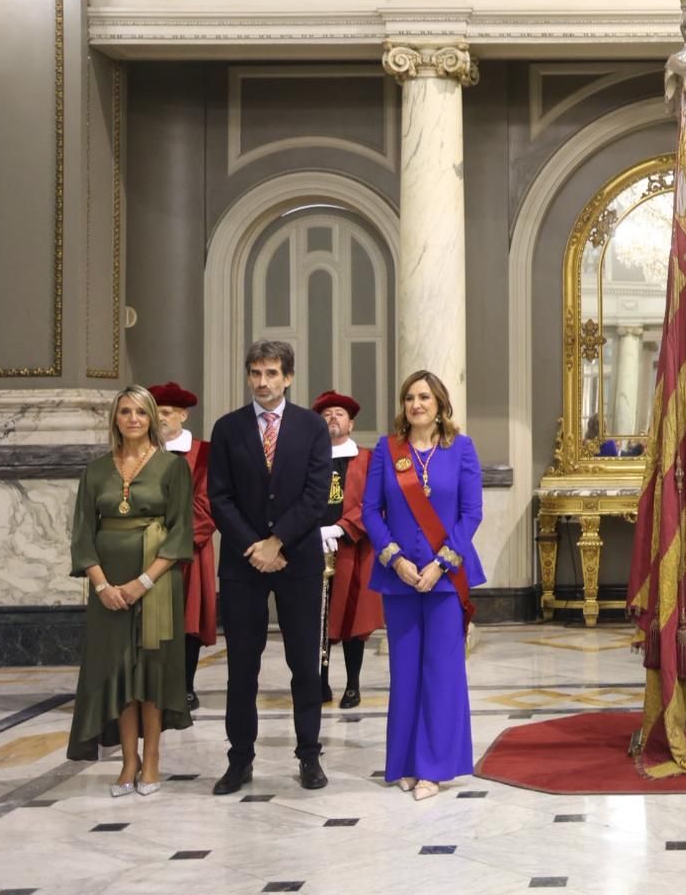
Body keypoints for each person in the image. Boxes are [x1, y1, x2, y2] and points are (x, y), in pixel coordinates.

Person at [207, 340, 333, 795]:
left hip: (297, 560)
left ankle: (309, 756)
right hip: (243, 566)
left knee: (304, 665)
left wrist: (277, 541)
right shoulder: (227, 428)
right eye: (256, 373)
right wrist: (254, 546)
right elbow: (218, 497)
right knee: (242, 667)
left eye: (272, 373)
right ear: (248, 376)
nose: (263, 382)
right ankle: (239, 760)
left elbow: (316, 496)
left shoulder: (312, 427)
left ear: (289, 378)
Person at [363, 370, 485, 800]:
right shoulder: (386, 450)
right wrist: (394, 559)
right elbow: (370, 512)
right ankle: (405, 762)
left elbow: (471, 514)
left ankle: (433, 768)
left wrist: (441, 564)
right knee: (405, 672)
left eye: (425, 398)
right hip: (399, 580)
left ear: (440, 405)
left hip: (446, 580)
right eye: (410, 398)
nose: (416, 404)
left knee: (442, 672)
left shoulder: (462, 449)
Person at [67, 386, 194, 797]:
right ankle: (128, 762)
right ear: (115, 419)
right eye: (125, 411)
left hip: (155, 584)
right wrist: (102, 585)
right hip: (108, 589)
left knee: (150, 672)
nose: (134, 418)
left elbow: (180, 533)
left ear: (153, 418)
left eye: (141, 411)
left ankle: (153, 760)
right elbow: (83, 535)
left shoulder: (173, 468)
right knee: (118, 672)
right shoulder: (97, 470)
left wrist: (143, 582)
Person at [313, 390, 384, 709]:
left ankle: (352, 685)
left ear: (351, 424)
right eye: (326, 414)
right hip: (313, 545)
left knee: (352, 619)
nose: (332, 418)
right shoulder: (308, 459)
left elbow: (374, 503)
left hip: (353, 548)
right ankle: (321, 682)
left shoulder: (367, 460)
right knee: (318, 618)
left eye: (339, 413)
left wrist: (341, 528)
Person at [151, 381, 215, 712]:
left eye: (166, 412)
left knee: (187, 621)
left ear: (183, 415)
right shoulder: (141, 452)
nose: (159, 418)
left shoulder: (204, 453)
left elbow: (207, 505)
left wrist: (173, 543)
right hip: (145, 553)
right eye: (155, 412)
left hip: (190, 551)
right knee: (153, 622)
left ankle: (187, 686)